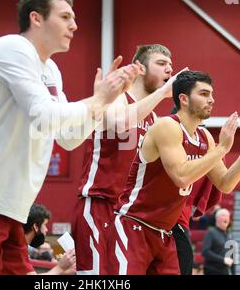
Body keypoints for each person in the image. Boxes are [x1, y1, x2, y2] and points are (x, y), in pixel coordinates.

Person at [0, 0, 140, 275]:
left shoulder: (51, 70)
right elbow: (45, 117)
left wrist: (102, 104)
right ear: (36, 18)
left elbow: (69, 138)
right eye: (66, 16)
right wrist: (98, 100)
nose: (75, 25)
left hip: (12, 210)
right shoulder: (11, 48)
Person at [106, 70, 240, 274]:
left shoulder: (205, 136)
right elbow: (181, 176)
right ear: (184, 99)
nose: (211, 100)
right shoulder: (167, 126)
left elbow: (225, 183)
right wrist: (222, 149)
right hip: (135, 224)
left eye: (212, 94)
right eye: (204, 94)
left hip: (165, 232)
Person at [71, 44, 188, 274]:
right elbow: (120, 123)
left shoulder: (155, 118)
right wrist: (163, 94)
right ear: (140, 68)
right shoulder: (116, 98)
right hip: (99, 204)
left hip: (128, 215)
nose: (169, 71)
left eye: (171, 66)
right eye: (162, 64)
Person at [23, 203, 76, 275]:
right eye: (44, 225)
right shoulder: (17, 251)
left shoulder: (20, 248)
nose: (46, 229)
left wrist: (63, 271)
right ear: (35, 226)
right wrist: (60, 267)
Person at [202, 208, 235, 275]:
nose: (226, 218)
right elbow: (205, 252)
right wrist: (223, 260)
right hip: (212, 270)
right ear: (217, 219)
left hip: (224, 271)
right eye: (223, 216)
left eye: (227, 216)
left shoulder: (229, 236)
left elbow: (231, 257)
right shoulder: (211, 232)